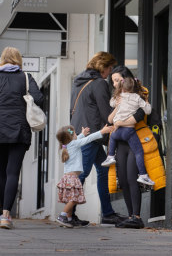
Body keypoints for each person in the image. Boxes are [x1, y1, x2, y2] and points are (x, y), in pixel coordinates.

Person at [0, 47, 43, 230]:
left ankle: (0, 213)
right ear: (18, 59)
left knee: (2, 173)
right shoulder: (26, 77)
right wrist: (26, 97)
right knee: (13, 172)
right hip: (19, 131)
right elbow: (40, 98)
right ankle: (6, 216)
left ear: (2, 60)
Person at [70, 51, 126, 226]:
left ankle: (107, 213)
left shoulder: (79, 81)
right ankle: (67, 214)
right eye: (109, 68)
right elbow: (105, 112)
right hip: (92, 135)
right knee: (82, 174)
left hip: (81, 132)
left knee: (102, 171)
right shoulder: (99, 83)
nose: (109, 73)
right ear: (103, 67)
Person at [108, 66, 159, 229]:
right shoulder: (118, 96)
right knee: (123, 179)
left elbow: (137, 117)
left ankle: (137, 216)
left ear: (125, 79)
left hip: (135, 137)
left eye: (117, 80)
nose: (115, 84)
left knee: (131, 177)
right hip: (121, 140)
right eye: (113, 81)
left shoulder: (140, 93)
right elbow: (111, 119)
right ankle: (131, 216)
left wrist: (120, 122)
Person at [55, 124, 114, 227]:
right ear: (71, 137)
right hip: (73, 179)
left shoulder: (67, 146)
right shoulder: (74, 144)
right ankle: (62, 216)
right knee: (74, 199)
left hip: (67, 178)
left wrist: (82, 134)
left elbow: (79, 140)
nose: (76, 135)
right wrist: (102, 131)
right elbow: (88, 139)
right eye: (74, 134)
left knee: (71, 199)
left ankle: (69, 219)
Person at [101, 76, 155, 186]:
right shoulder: (137, 98)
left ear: (122, 87)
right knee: (139, 152)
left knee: (113, 139)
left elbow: (111, 103)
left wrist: (116, 97)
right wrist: (147, 102)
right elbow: (148, 111)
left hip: (116, 131)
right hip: (128, 131)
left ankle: (110, 156)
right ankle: (143, 175)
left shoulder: (119, 97)